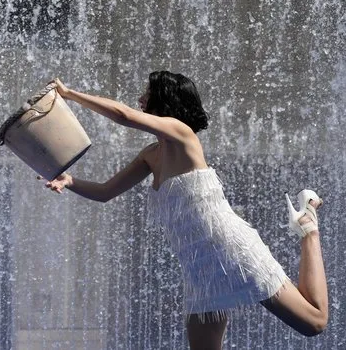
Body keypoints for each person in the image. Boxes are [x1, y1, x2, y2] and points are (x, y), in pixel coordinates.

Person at [41, 73, 328, 349]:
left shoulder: (182, 134)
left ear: (164, 102)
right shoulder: (150, 156)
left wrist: (70, 95)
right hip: (198, 269)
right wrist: (70, 181)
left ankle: (307, 225)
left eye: (148, 95)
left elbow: (124, 115)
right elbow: (105, 193)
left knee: (313, 323)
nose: (141, 99)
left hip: (231, 250)